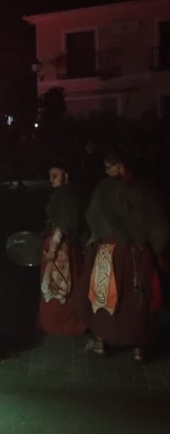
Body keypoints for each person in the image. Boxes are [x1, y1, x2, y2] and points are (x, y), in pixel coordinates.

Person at [76, 151, 168, 362]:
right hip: (136, 253)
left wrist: (94, 238)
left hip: (111, 251)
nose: (106, 170)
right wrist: (156, 249)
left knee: (106, 294)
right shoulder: (143, 189)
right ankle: (137, 347)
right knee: (135, 298)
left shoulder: (106, 188)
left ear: (122, 165)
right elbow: (157, 224)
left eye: (110, 166)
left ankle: (102, 340)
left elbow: (92, 217)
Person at [37, 161, 86, 336]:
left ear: (66, 175)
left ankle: (61, 323)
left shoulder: (66, 195)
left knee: (59, 283)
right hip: (58, 243)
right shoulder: (63, 194)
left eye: (55, 175)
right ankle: (56, 322)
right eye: (50, 176)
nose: (51, 179)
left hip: (60, 246)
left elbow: (63, 223)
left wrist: (53, 247)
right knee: (54, 282)